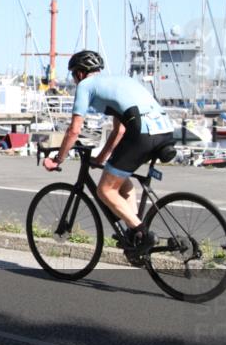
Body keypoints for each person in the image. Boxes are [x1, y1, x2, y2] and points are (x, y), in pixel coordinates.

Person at [43, 50, 174, 256]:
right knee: (122, 182)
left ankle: (143, 234)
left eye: (73, 75)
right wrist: (101, 159)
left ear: (79, 73)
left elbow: (74, 130)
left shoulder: (86, 86)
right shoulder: (120, 81)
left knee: (105, 191)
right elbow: (119, 130)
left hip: (142, 133)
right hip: (165, 131)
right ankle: (134, 234)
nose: (74, 79)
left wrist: (58, 159)